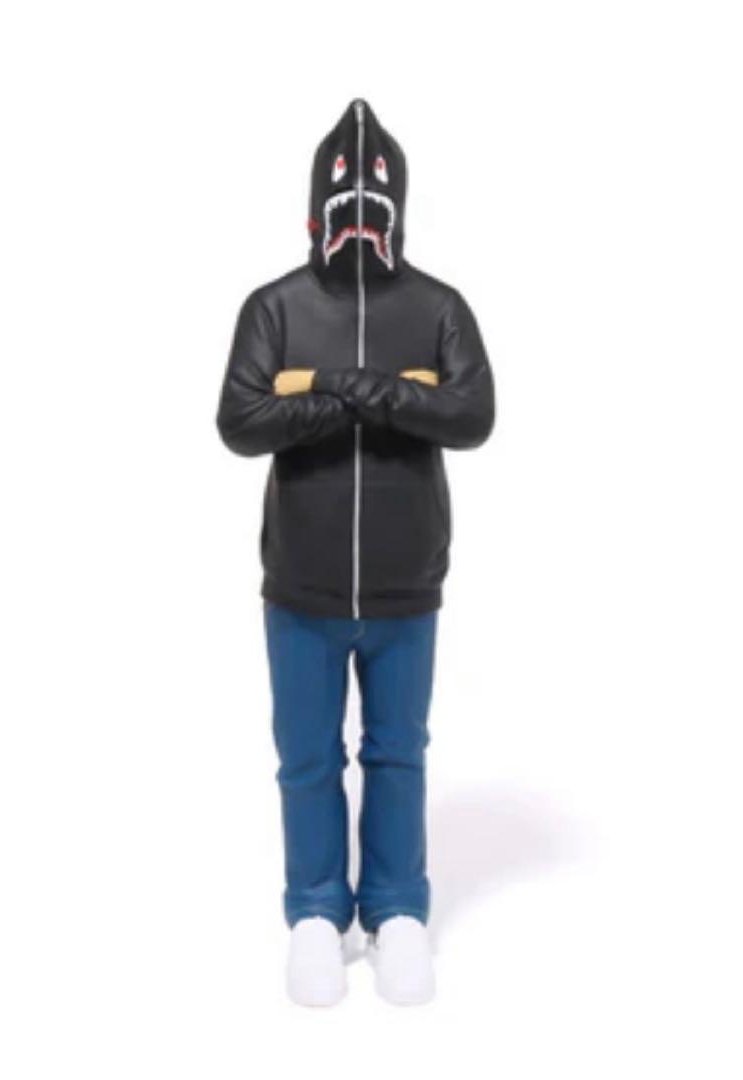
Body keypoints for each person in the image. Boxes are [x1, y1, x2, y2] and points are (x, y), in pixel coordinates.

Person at [216, 99, 495, 1006]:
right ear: (316, 210)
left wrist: (344, 391)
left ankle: (397, 907)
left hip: (407, 583)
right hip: (300, 584)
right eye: (346, 202)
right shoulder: (274, 308)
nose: (362, 217)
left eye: (378, 203)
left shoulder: (439, 307)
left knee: (397, 751)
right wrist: (365, 391)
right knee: (304, 755)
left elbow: (470, 413)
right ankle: (313, 910)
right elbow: (240, 419)